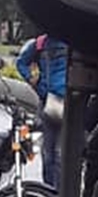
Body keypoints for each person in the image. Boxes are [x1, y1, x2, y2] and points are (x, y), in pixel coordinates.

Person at [15, 34, 68, 188]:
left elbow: (21, 63)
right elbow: (21, 64)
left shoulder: (41, 43)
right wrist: (37, 84)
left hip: (61, 103)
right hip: (51, 103)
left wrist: (36, 83)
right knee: (51, 155)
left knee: (55, 155)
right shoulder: (41, 43)